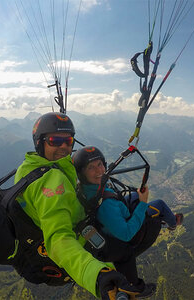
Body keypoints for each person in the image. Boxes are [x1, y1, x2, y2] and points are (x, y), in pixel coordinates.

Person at [13, 112, 139, 299]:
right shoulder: (52, 182)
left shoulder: (28, 168)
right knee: (126, 247)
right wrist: (97, 275)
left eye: (69, 140)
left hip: (74, 231)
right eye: (55, 140)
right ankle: (131, 286)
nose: (64, 146)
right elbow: (59, 239)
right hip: (78, 244)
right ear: (40, 142)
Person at [72, 146, 183, 298]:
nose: (99, 170)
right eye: (91, 167)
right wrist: (143, 203)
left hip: (113, 216)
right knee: (159, 205)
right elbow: (127, 234)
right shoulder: (105, 205)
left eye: (99, 164)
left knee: (134, 195)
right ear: (82, 173)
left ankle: (162, 216)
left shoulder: (87, 188)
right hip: (124, 233)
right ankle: (172, 224)